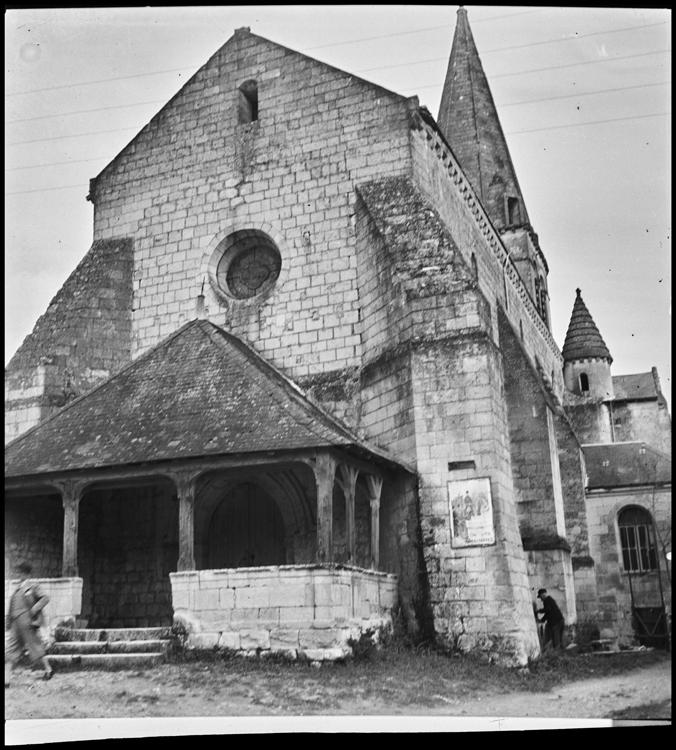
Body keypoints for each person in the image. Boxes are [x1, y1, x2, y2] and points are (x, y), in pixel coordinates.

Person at [5, 562, 53, 686]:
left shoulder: (33, 586)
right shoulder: (17, 588)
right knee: (10, 650)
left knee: (35, 645)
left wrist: (33, 610)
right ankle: (6, 680)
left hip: (28, 622)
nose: (19, 574)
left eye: (21, 572)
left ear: (27, 573)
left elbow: (45, 598)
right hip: (15, 623)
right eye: (19, 572)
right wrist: (8, 622)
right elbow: (11, 608)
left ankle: (49, 669)